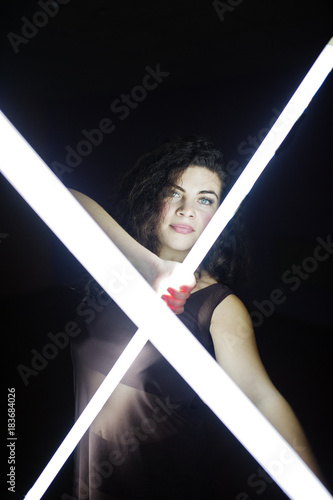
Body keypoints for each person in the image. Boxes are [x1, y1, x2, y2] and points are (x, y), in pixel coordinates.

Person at [68, 136, 321, 500]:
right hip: (86, 479)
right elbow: (64, 198)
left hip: (160, 482)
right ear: (152, 199)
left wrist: (308, 487)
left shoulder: (217, 304)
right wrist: (150, 266)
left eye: (205, 199)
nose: (187, 209)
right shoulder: (117, 270)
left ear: (219, 217)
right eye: (174, 193)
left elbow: (259, 395)